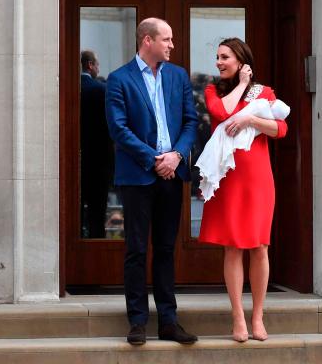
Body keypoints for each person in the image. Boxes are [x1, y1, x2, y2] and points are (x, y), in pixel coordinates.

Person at [105, 17, 199, 346]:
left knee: (164, 249)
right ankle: (138, 321)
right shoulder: (119, 79)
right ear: (147, 40)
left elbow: (190, 121)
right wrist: (153, 159)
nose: (172, 45)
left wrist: (176, 155)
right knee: (135, 249)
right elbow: (118, 129)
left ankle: (169, 322)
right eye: (167, 39)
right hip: (137, 176)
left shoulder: (178, 76)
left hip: (172, 175)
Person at [198, 38, 288, 343]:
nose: (219, 62)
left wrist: (251, 118)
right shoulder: (214, 90)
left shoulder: (264, 94)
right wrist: (242, 84)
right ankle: (238, 317)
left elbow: (281, 129)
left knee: (260, 246)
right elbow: (221, 113)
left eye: (225, 57)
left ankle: (258, 316)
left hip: (258, 178)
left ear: (240, 59)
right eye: (218, 57)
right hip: (228, 178)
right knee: (233, 246)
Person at [80, 50, 113, 238]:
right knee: (97, 213)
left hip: (74, 160)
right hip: (99, 161)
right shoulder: (101, 90)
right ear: (90, 65)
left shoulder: (70, 88)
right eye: (97, 65)